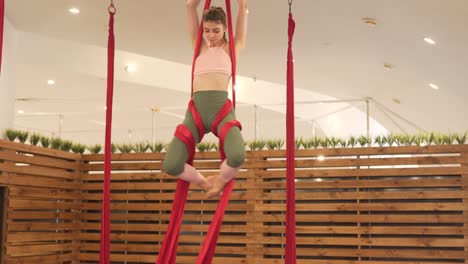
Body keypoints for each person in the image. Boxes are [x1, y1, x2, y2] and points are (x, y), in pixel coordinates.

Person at [162, 0, 248, 198]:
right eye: (207, 30)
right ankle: (203, 181)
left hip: (221, 112)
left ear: (225, 28)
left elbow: (242, 8)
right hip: (196, 113)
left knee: (237, 155)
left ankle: (221, 180)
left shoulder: (232, 49)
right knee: (171, 165)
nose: (210, 35)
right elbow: (190, 6)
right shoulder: (198, 46)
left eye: (216, 30)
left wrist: (242, 6)